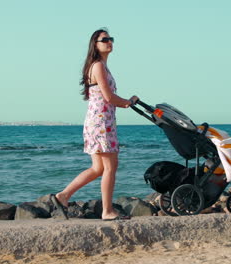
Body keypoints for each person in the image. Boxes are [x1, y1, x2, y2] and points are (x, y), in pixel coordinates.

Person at [50, 28, 139, 221]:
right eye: (104, 39)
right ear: (95, 45)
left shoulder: (101, 66)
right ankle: (107, 211)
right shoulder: (97, 66)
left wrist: (125, 102)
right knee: (110, 167)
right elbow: (108, 97)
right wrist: (128, 102)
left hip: (100, 122)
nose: (109, 42)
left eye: (110, 39)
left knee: (99, 168)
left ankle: (63, 196)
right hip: (101, 123)